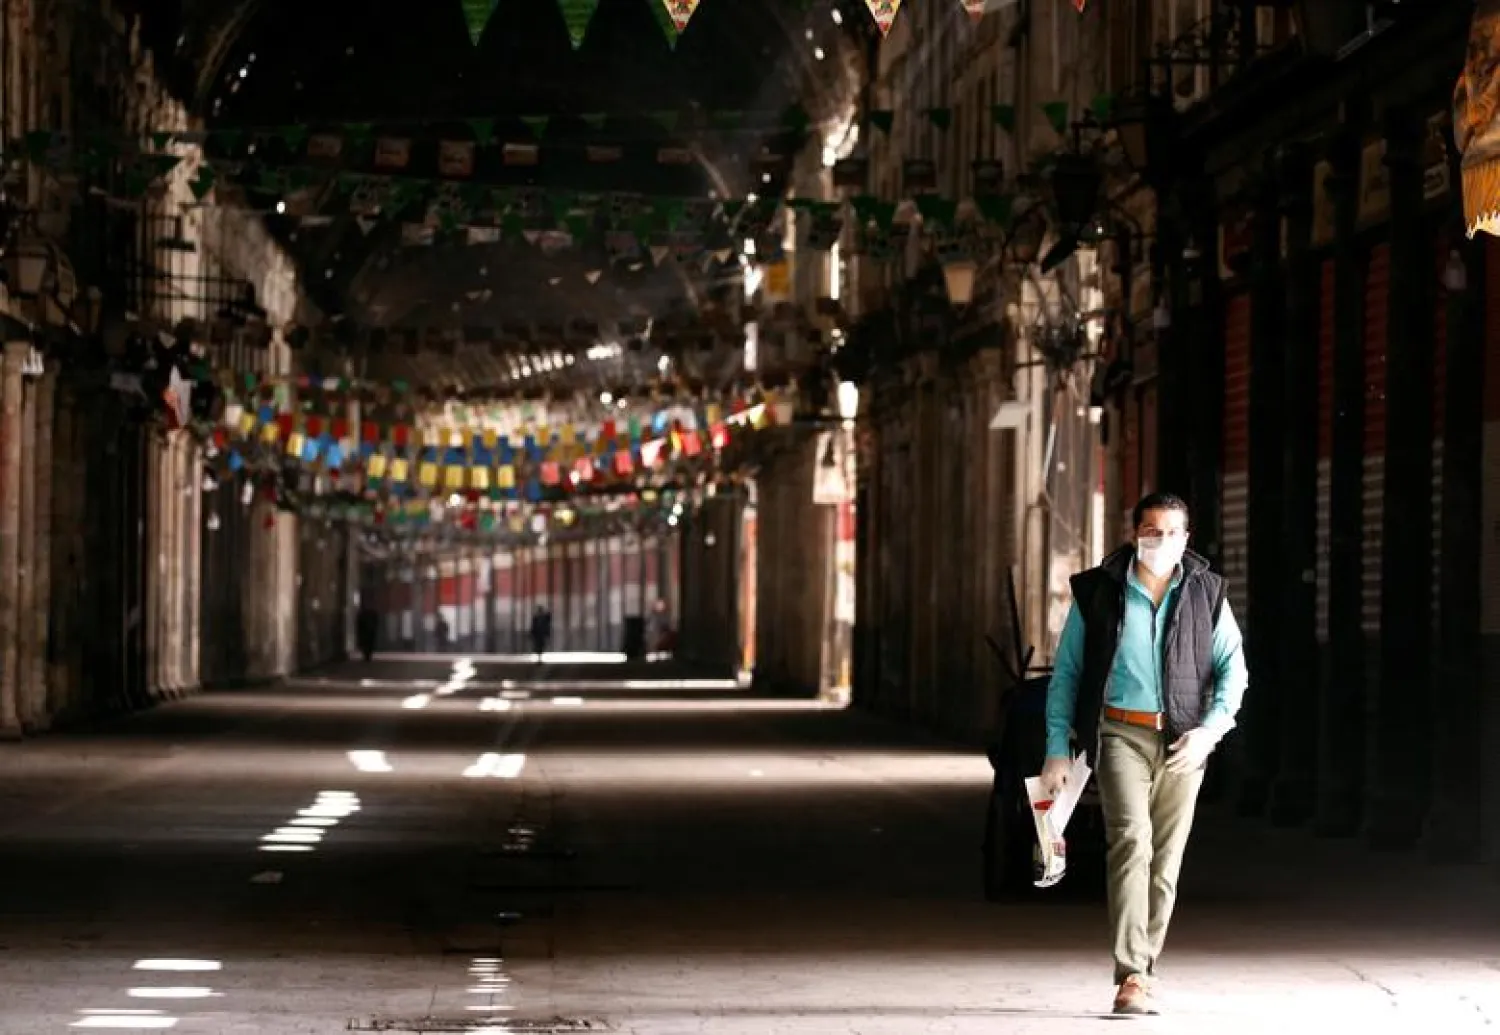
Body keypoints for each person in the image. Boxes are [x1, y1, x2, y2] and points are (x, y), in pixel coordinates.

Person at [1041, 491, 1248, 1016]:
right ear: (1134, 534)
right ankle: (1131, 973)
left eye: (1172, 532)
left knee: (1166, 861)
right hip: (1120, 735)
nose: (1162, 541)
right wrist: (1056, 749)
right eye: (1151, 531)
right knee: (1131, 843)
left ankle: (1145, 968)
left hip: (1183, 742)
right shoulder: (1099, 592)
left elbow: (1233, 670)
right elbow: (1067, 674)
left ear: (1187, 538)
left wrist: (1209, 731)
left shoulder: (1207, 592)